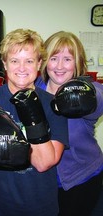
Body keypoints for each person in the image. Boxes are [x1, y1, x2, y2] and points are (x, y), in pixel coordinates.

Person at [0, 28, 69, 216]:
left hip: (40, 206)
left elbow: (44, 163)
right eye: (15, 61)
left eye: (29, 61)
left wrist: (30, 111)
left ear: (39, 64)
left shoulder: (53, 104)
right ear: (5, 64)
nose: (22, 68)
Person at [36, 31, 103, 216]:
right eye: (54, 58)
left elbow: (98, 99)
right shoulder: (35, 89)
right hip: (44, 180)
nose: (59, 66)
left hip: (81, 178)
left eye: (67, 59)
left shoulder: (87, 90)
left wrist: (83, 96)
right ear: (44, 61)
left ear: (77, 63)